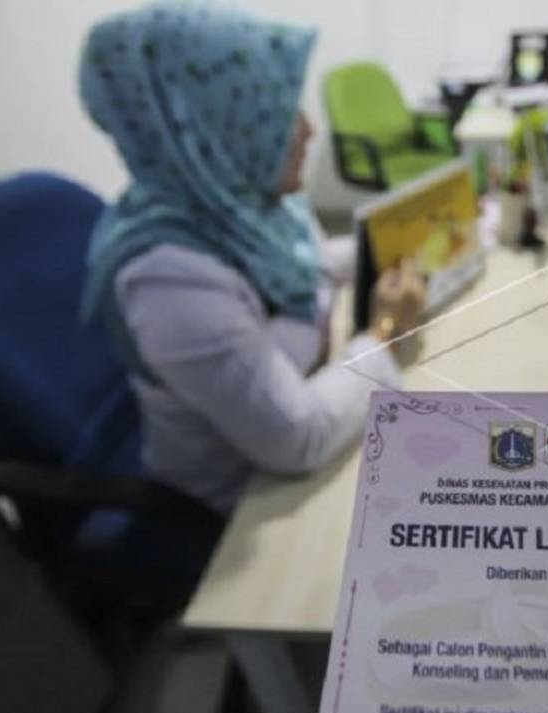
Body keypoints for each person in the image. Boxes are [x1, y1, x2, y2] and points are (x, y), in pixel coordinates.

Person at [79, 4, 425, 515]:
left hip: (319, 398)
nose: (309, 130)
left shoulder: (242, 197)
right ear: (208, 128)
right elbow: (299, 437)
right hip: (247, 503)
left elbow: (306, 263)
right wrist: (386, 330)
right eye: (278, 113)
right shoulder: (170, 280)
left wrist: (393, 248)